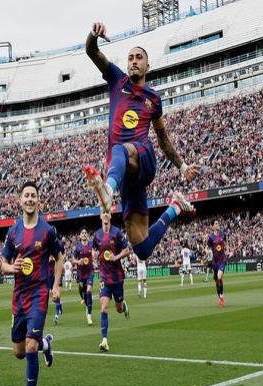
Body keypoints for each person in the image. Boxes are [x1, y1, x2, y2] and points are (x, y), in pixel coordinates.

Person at [83, 22, 200, 264]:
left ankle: (108, 191)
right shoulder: (117, 80)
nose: (134, 61)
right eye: (131, 58)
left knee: (121, 149)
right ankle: (175, 206)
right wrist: (94, 34)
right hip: (126, 175)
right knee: (142, 248)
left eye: (139, 58)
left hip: (144, 158)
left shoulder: (153, 99)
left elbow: (163, 139)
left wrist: (182, 166)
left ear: (148, 65)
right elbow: (91, 51)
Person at [1, 181, 63, 386]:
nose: (29, 199)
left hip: (39, 294)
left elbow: (59, 258)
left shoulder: (47, 231)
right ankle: (45, 345)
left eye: (33, 195)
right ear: (20, 200)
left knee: (29, 347)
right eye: (26, 195)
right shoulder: (13, 231)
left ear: (38, 201)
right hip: (19, 296)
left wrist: (55, 286)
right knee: (18, 352)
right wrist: (11, 268)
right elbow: (3, 263)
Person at [93, 211, 130, 351]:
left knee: (118, 309)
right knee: (104, 307)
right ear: (100, 216)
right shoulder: (97, 235)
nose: (105, 215)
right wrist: (94, 255)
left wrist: (117, 257)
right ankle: (104, 340)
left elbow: (127, 250)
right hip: (104, 276)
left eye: (107, 212)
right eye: (103, 212)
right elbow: (94, 249)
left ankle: (123, 306)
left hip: (117, 277)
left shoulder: (117, 232)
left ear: (110, 216)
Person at [72, 229, 94, 325]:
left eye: (85, 233)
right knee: (82, 290)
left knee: (88, 291)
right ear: (80, 236)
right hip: (81, 273)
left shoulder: (91, 245)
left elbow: (95, 252)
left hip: (90, 272)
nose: (84, 234)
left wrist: (95, 255)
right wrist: (77, 261)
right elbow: (73, 259)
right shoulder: (77, 247)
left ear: (87, 235)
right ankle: (85, 300)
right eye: (82, 233)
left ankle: (89, 316)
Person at [207, 220, 227, 307]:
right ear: (212, 227)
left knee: (219, 276)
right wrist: (207, 253)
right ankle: (220, 297)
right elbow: (207, 248)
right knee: (216, 280)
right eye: (216, 223)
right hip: (215, 262)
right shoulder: (211, 237)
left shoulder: (223, 234)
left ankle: (221, 297)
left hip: (222, 259)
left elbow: (226, 243)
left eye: (218, 223)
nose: (218, 224)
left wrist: (228, 250)